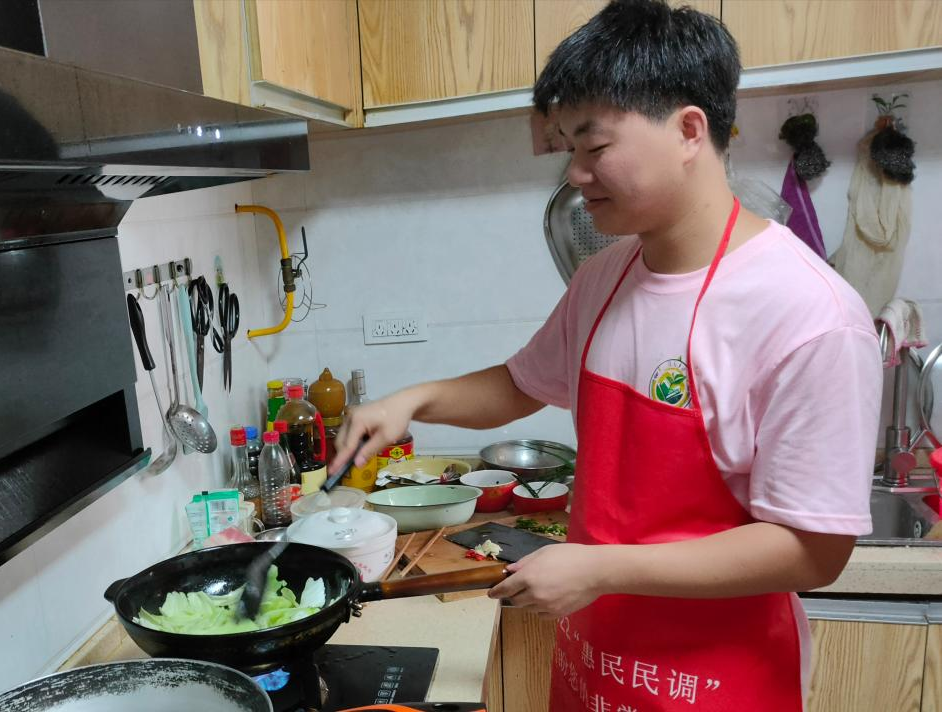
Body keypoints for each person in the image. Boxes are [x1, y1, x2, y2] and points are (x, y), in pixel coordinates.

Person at [330, 1, 881, 709]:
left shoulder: (808, 314)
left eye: (593, 148)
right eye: (569, 150)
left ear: (688, 131)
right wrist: (409, 402)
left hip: (714, 679)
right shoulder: (604, 276)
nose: (576, 174)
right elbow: (520, 384)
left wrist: (599, 569)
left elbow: (814, 550)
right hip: (596, 664)